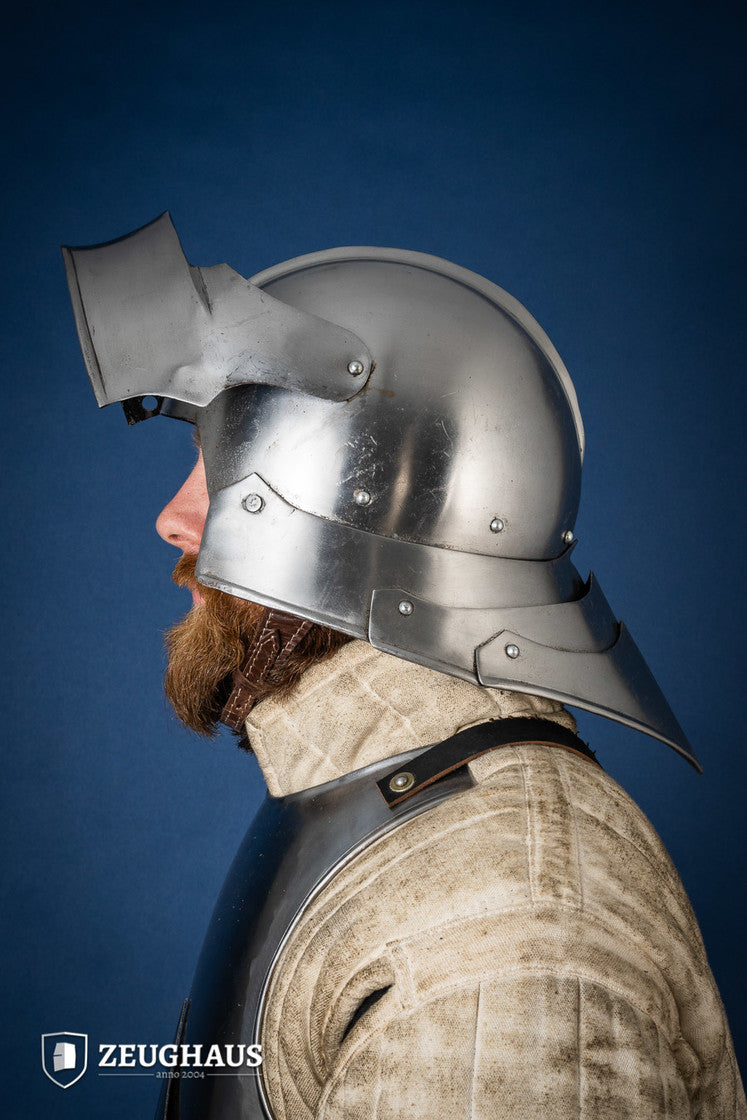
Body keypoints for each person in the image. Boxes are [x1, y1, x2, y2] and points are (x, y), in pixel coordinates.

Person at [64, 214, 745, 1118]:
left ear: (356, 505)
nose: (174, 520)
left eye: (218, 468)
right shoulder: (379, 806)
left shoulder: (504, 926)